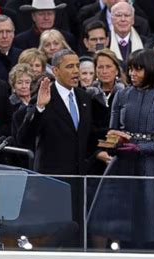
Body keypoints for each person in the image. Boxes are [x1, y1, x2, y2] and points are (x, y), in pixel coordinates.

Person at [88, 48, 154, 250]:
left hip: (152, 167)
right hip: (122, 165)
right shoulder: (121, 95)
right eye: (130, 70)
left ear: (151, 69)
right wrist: (116, 142)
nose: (133, 74)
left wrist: (140, 148)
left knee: (151, 224)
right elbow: (112, 131)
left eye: (138, 70)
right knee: (103, 220)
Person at [17, 49, 92, 247]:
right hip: (52, 182)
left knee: (76, 235)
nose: (76, 71)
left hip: (79, 181)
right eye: (70, 66)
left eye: (77, 65)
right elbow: (24, 137)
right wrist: (40, 108)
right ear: (56, 71)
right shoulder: (44, 97)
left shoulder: (84, 98)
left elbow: (87, 137)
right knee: (53, 236)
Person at [85, 48, 125, 176]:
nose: (104, 71)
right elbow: (85, 130)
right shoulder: (87, 96)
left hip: (122, 157)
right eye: (100, 67)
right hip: (94, 160)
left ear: (116, 69)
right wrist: (97, 153)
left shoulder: (127, 94)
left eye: (108, 66)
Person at [0, 15, 22, 84]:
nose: (4, 36)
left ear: (13, 34)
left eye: (8, 31)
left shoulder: (21, 55)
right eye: (0, 32)